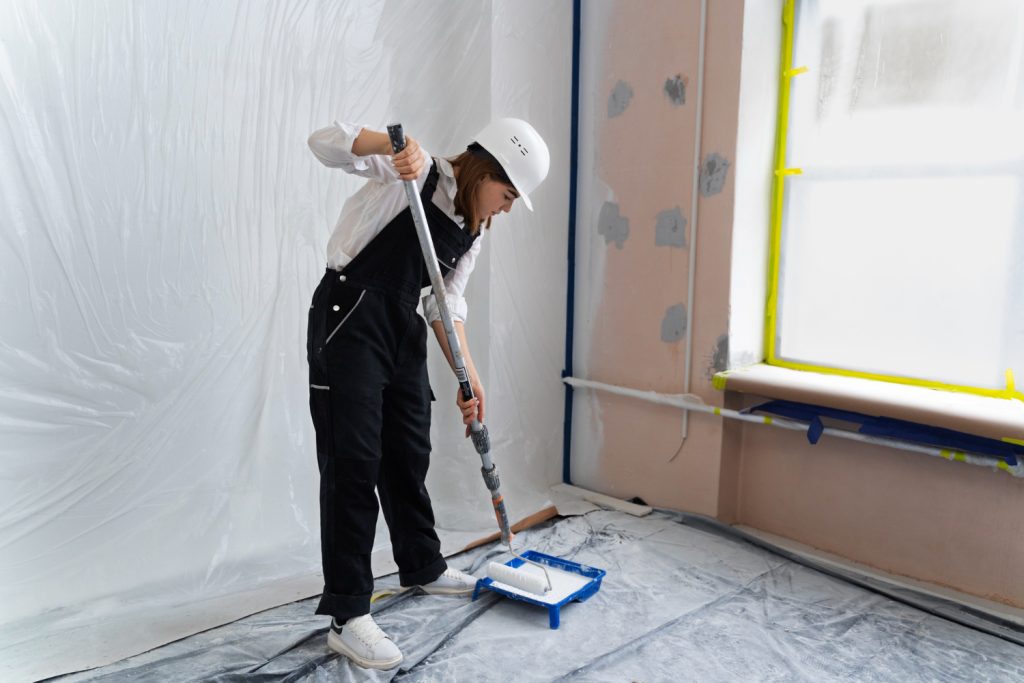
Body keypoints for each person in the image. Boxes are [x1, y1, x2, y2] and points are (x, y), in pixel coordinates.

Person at [305, 118, 550, 670]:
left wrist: (470, 375)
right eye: (507, 194)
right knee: (355, 462)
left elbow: (444, 302)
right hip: (351, 320)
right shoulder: (410, 172)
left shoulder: (474, 226)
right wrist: (389, 147)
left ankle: (422, 565)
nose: (507, 208)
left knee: (409, 450)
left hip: (402, 329)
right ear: (486, 169)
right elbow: (323, 143)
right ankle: (348, 613)